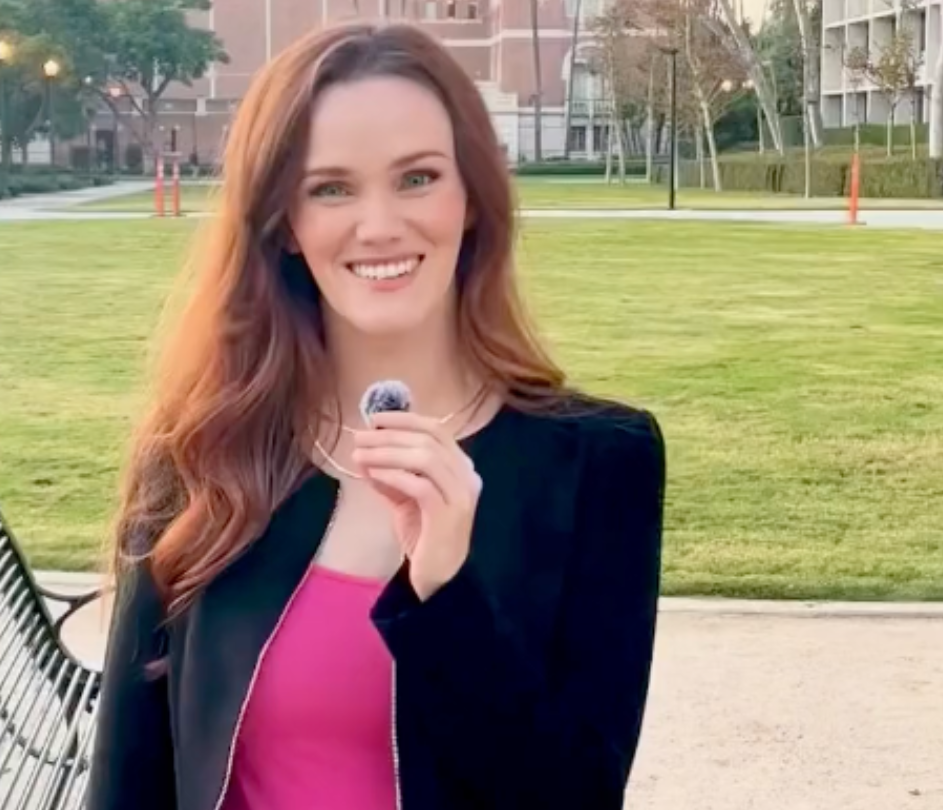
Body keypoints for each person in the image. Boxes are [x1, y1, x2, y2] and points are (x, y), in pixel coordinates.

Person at [85, 21, 667, 810]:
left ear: (471, 198)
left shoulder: (601, 461)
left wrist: (446, 596)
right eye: (331, 188)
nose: (381, 225)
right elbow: (129, 778)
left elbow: (579, 794)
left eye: (417, 177)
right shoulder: (200, 452)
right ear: (285, 223)